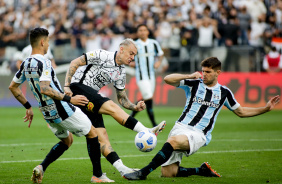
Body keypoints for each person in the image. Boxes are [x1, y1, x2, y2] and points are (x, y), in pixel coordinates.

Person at [123, 57, 280, 180]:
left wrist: (265, 109)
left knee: (173, 142)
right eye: (203, 71)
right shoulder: (194, 83)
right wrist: (190, 75)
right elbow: (167, 79)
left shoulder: (224, 92)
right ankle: (201, 170)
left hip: (199, 134)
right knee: (168, 173)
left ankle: (143, 172)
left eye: (208, 72)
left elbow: (241, 112)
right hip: (180, 127)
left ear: (218, 73)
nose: (204, 74)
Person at [8, 28, 113, 183]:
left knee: (67, 141)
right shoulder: (44, 62)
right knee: (92, 133)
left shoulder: (26, 63)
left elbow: (13, 86)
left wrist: (28, 107)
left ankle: (41, 167)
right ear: (42, 42)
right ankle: (97, 175)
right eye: (48, 41)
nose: (49, 45)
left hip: (46, 112)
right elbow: (45, 88)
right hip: (61, 108)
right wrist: (71, 100)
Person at [63, 38, 166, 176]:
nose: (132, 57)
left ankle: (121, 170)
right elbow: (75, 62)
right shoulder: (102, 55)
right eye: (131, 53)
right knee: (110, 106)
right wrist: (67, 86)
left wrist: (135, 107)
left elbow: (122, 99)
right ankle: (146, 130)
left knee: (101, 138)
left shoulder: (121, 72)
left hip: (90, 99)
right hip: (78, 89)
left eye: (134, 55)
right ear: (121, 49)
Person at [129, 24, 164, 127]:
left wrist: (158, 62)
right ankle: (154, 124)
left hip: (151, 76)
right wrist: (131, 63)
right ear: (137, 33)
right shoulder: (134, 45)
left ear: (148, 32)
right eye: (140, 30)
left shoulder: (154, 43)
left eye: (144, 30)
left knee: (146, 98)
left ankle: (131, 115)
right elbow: (129, 57)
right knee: (148, 97)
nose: (143, 32)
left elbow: (161, 54)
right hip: (141, 76)